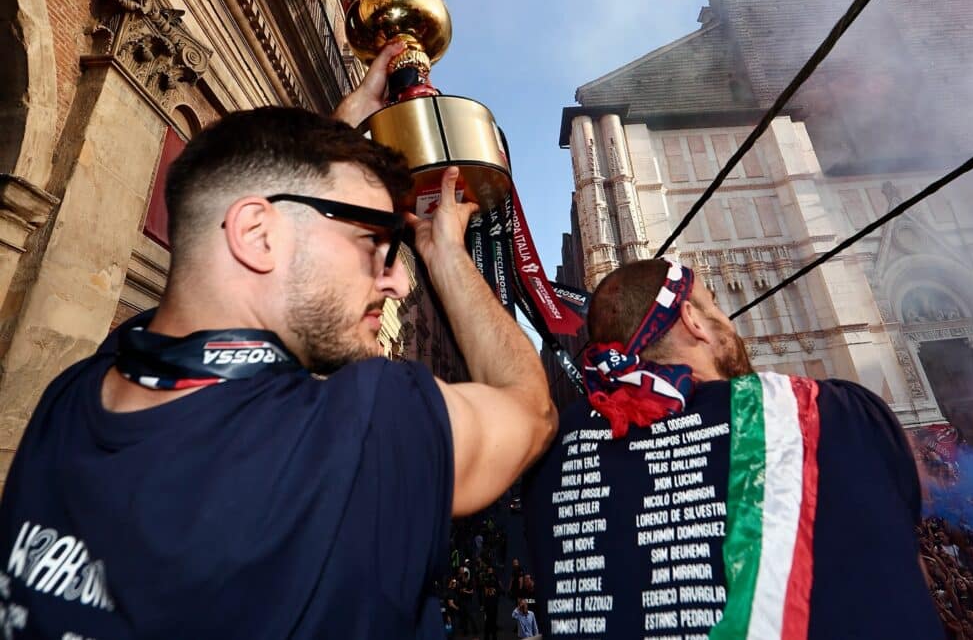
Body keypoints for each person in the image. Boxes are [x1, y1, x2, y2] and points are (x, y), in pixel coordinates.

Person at [0, 44, 557, 639]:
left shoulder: (73, 392)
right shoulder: (358, 433)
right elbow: (532, 408)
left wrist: (329, 144)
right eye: (374, 241)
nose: (395, 278)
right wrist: (444, 251)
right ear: (256, 234)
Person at [524, 257, 943, 639]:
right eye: (713, 304)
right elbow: (909, 564)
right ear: (692, 319)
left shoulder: (549, 448)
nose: (726, 318)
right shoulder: (828, 411)